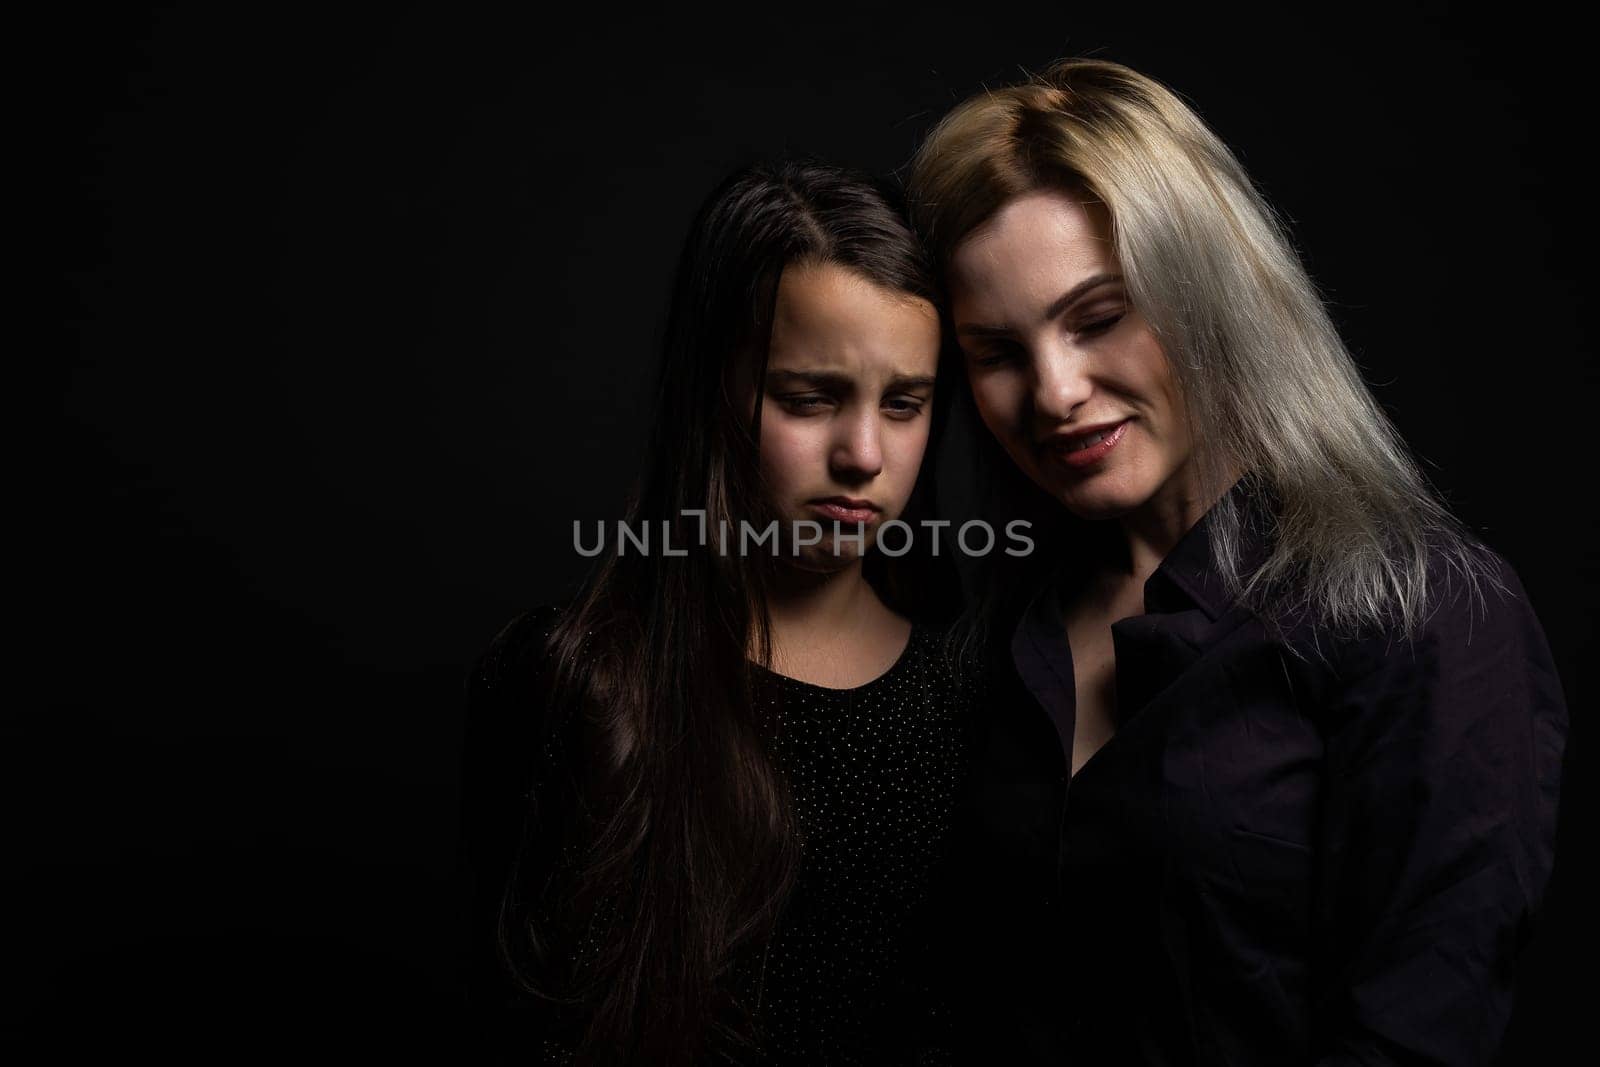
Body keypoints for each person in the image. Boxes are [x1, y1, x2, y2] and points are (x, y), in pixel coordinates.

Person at [905, 58, 1568, 1065]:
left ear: (1207, 291)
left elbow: (1414, 1033)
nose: (1055, 390)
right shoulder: (995, 632)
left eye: (1098, 316)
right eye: (996, 352)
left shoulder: (1426, 611)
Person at [458, 159, 979, 1065]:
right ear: (717, 394)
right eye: (809, 397)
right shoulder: (582, 684)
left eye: (904, 404)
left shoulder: (969, 690)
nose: (863, 454)